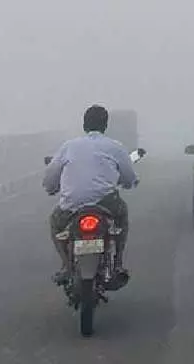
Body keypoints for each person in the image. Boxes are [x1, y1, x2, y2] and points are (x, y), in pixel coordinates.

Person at [43, 104, 138, 284]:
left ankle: (66, 266)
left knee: (55, 224)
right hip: (106, 203)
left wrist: (51, 188)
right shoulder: (115, 147)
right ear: (105, 125)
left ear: (84, 125)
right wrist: (128, 183)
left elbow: (50, 177)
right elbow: (129, 177)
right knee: (122, 217)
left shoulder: (69, 147)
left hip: (72, 205)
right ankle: (118, 263)